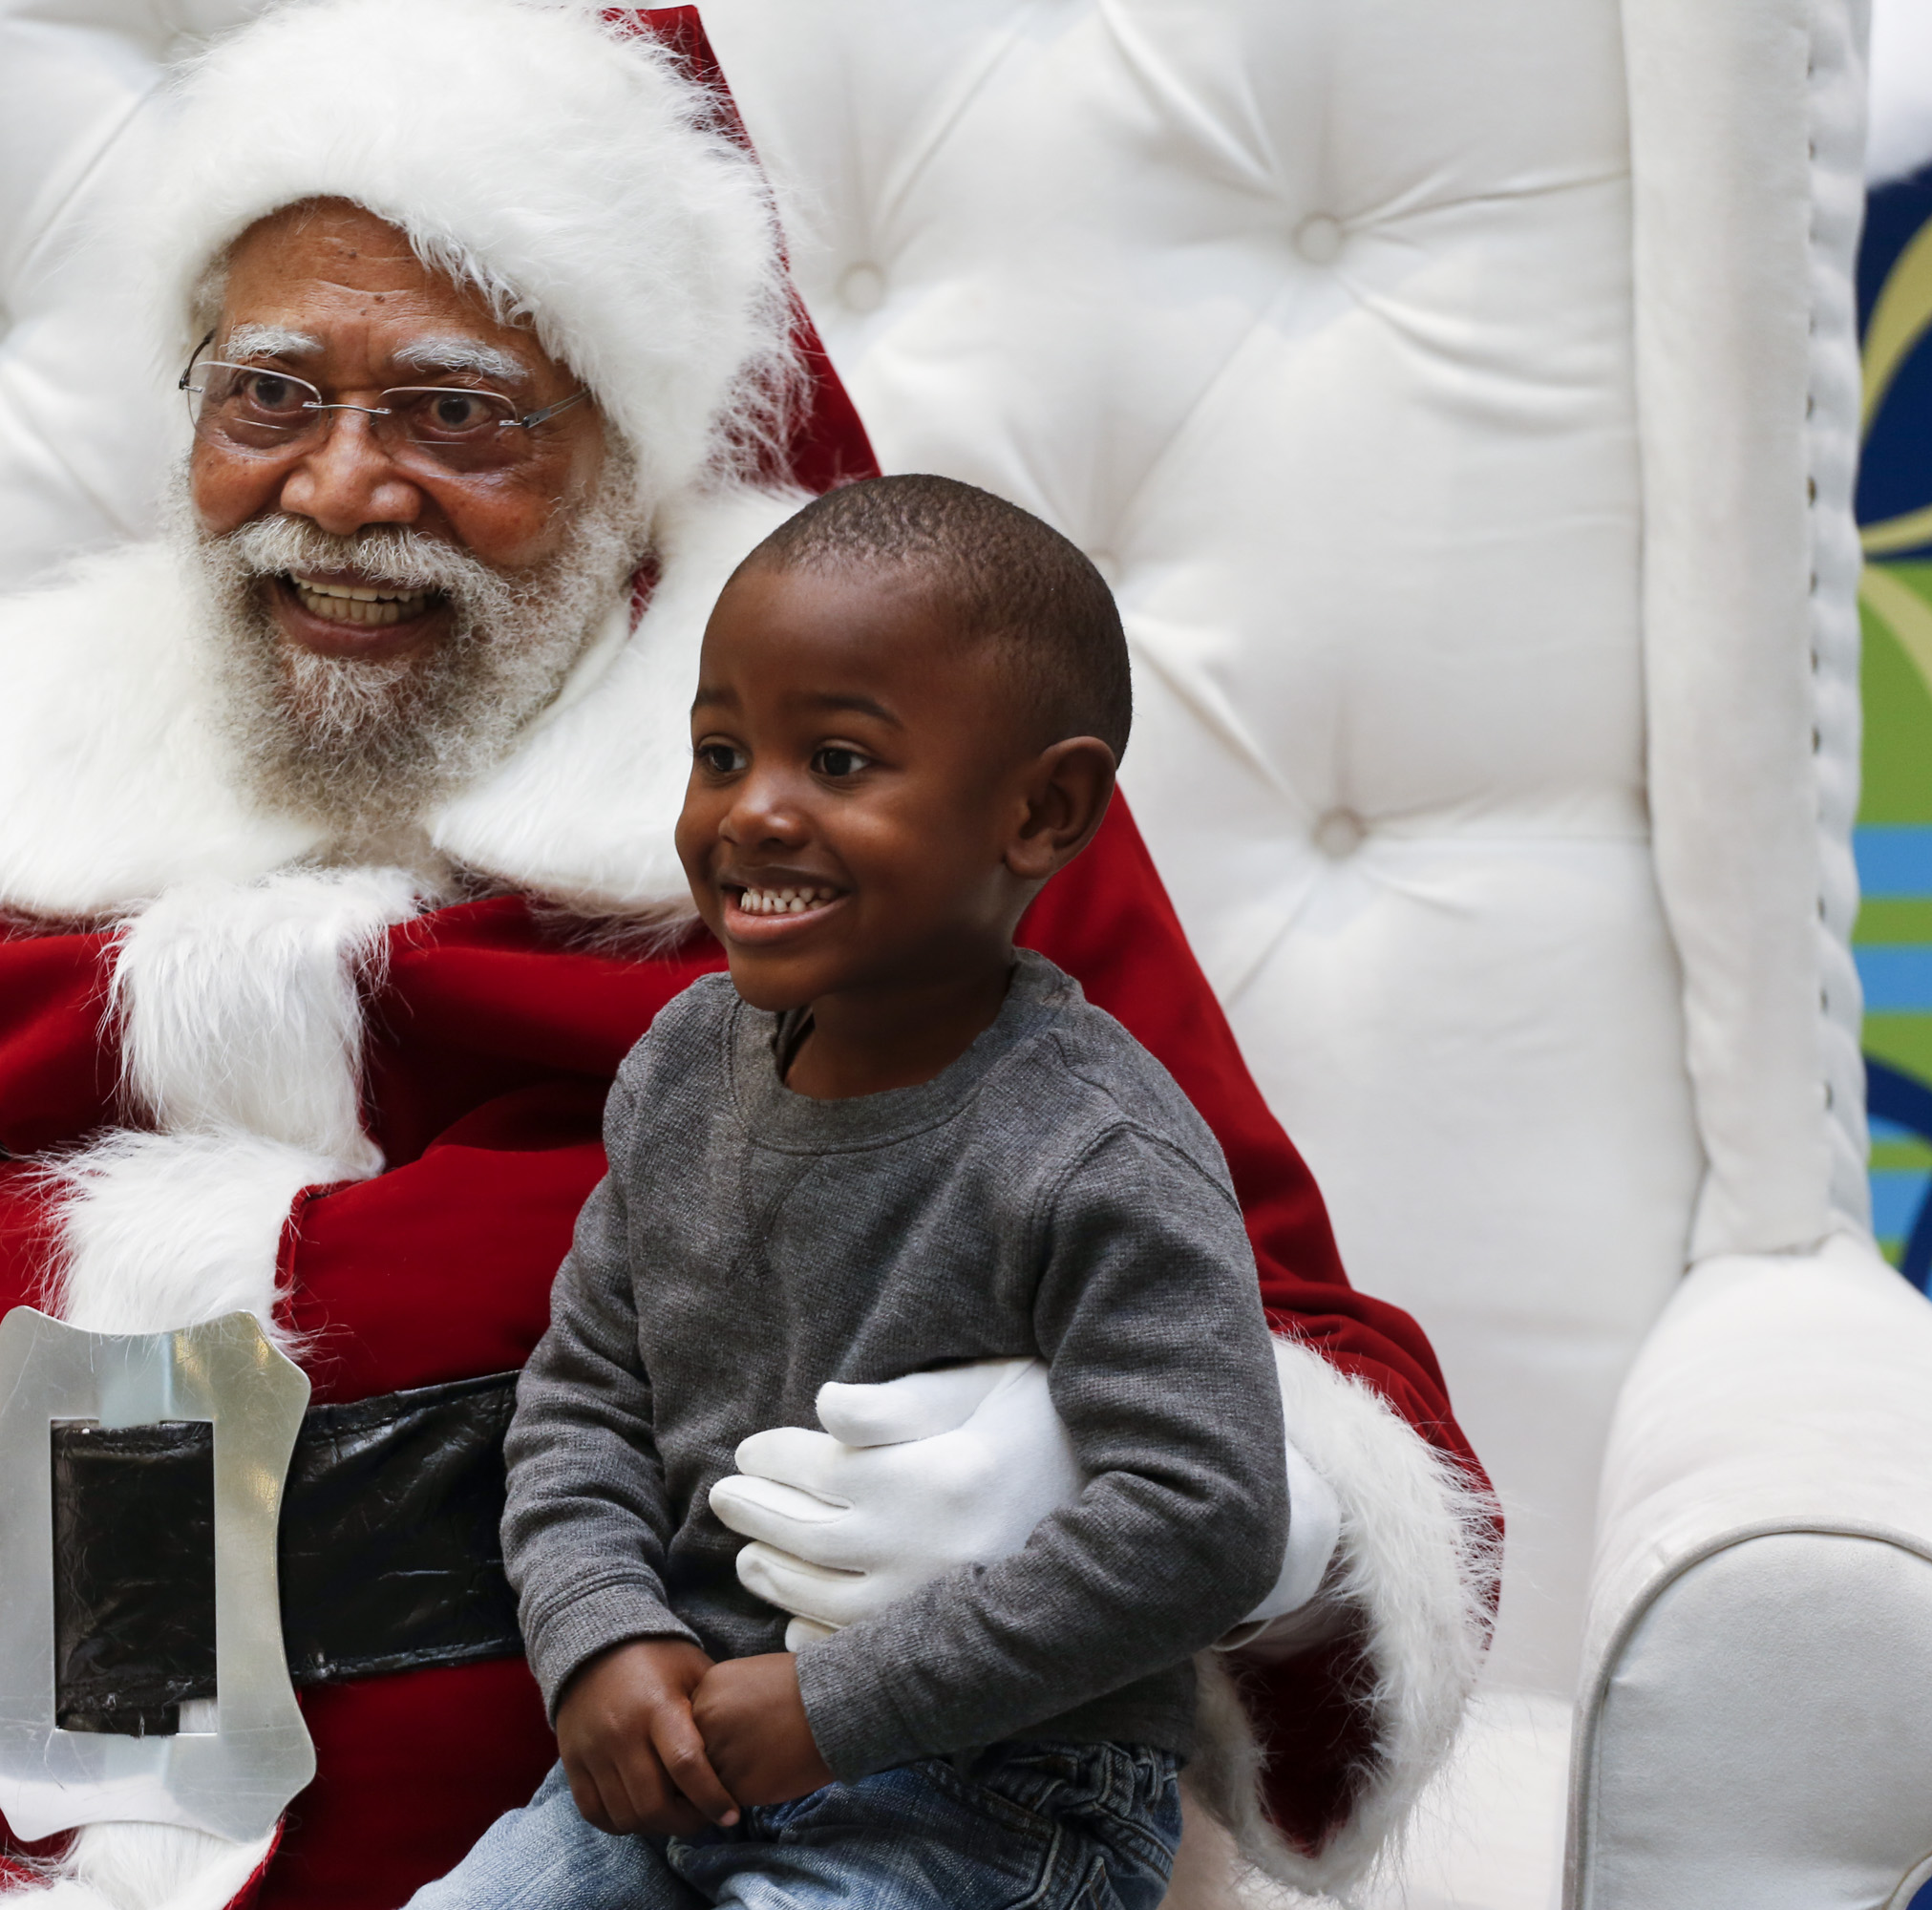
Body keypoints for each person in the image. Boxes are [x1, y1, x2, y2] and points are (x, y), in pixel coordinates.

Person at [0, 9, 1493, 1910]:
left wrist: (1112, 1471)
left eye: (460, 414)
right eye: (268, 394)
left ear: (630, 445)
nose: (340, 488)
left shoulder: (875, 814)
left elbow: (1316, 1359)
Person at [409, 476, 1283, 1910]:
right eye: (719, 750)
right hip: (683, 1751)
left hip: (990, 1789)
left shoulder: (1094, 1149)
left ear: (1041, 810)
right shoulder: (686, 1065)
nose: (752, 812)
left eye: (837, 759)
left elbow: (1203, 1518)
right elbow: (580, 1401)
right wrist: (601, 1635)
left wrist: (831, 1711)